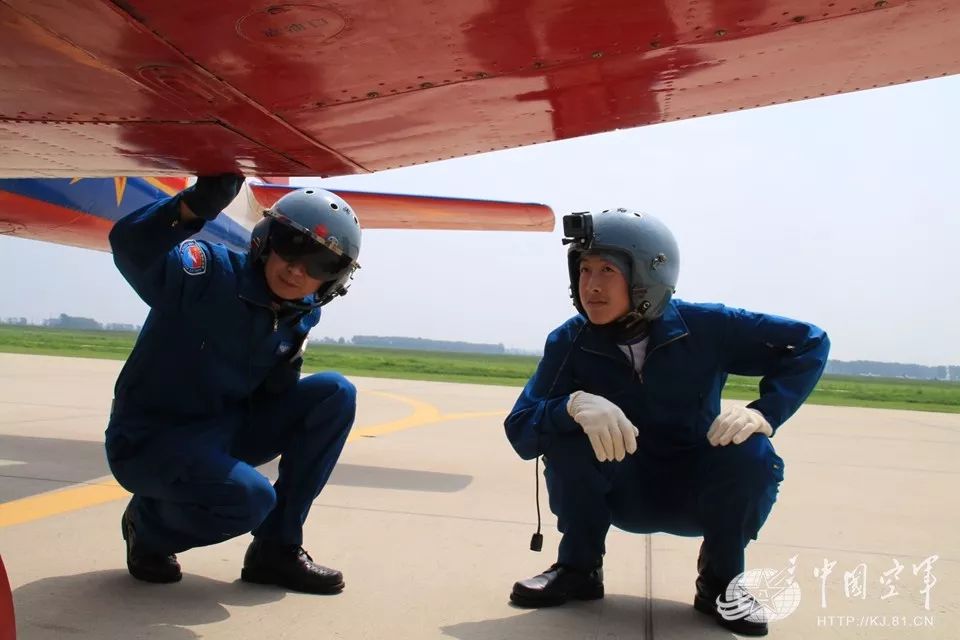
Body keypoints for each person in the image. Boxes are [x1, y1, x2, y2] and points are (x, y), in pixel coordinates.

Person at [504, 208, 829, 636]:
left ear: (648, 275)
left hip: (694, 489)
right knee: (567, 438)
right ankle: (578, 569)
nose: (592, 286)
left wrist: (764, 412)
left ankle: (721, 582)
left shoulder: (709, 326)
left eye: (607, 270)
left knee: (752, 451)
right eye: (583, 269)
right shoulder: (570, 339)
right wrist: (570, 406)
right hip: (621, 489)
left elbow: (808, 342)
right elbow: (522, 428)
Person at [105, 175, 362, 594]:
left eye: (321, 263)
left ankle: (275, 550)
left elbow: (274, 395)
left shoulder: (301, 314)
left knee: (335, 394)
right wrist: (190, 208)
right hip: (151, 440)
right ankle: (147, 527)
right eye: (291, 244)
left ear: (334, 280)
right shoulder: (207, 273)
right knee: (251, 498)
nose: (298, 268)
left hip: (221, 430)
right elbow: (131, 249)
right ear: (264, 240)